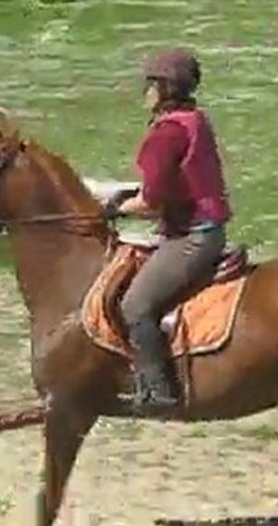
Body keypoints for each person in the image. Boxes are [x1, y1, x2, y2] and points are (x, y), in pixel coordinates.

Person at [113, 46, 232, 411]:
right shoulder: (193, 119)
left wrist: (113, 209)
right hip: (202, 229)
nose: (144, 93)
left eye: (149, 85)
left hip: (192, 237)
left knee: (135, 305)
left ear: (165, 88)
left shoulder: (167, 133)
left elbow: (152, 202)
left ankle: (158, 391)